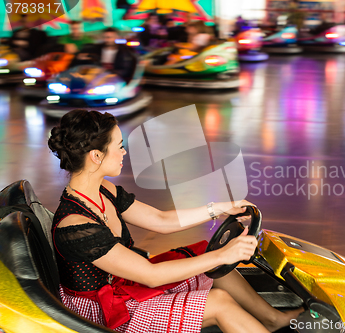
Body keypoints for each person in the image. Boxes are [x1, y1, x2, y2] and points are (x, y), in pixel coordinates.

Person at [47, 110, 304, 333]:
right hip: (105, 315)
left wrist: (221, 207)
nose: (125, 152)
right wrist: (223, 255)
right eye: (119, 146)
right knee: (219, 302)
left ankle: (272, 319)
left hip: (123, 287)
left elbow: (160, 219)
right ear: (96, 156)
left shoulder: (104, 191)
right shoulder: (75, 225)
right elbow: (151, 276)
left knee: (206, 256)